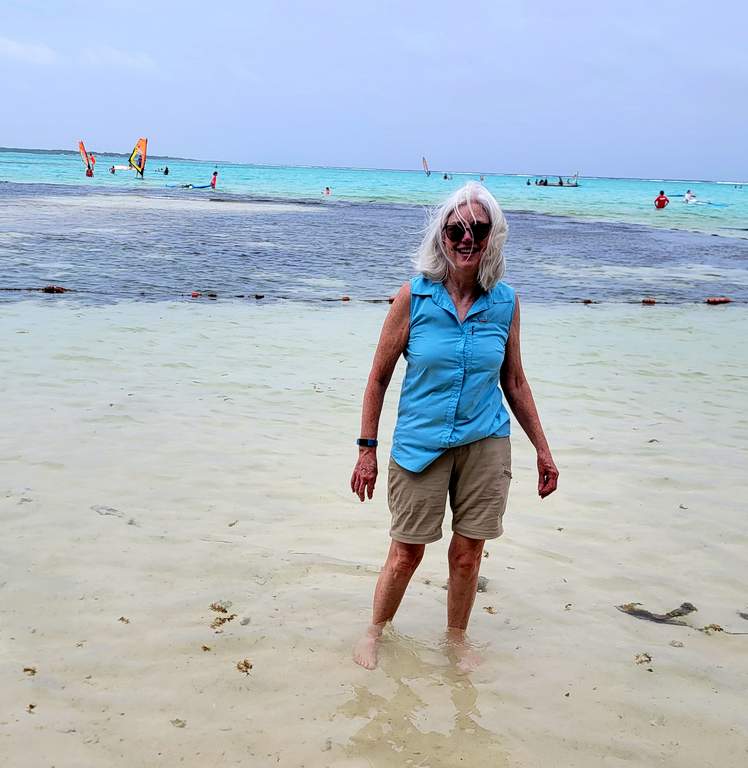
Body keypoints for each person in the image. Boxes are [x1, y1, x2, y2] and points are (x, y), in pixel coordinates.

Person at [351, 182, 559, 671]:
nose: (467, 239)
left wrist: (544, 452)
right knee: (406, 554)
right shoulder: (414, 297)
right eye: (456, 229)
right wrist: (366, 450)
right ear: (441, 235)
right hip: (420, 444)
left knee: (468, 554)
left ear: (494, 236)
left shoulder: (505, 302)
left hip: (485, 441)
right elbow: (378, 377)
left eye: (478, 229)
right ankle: (374, 631)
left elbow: (514, 380)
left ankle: (456, 639)